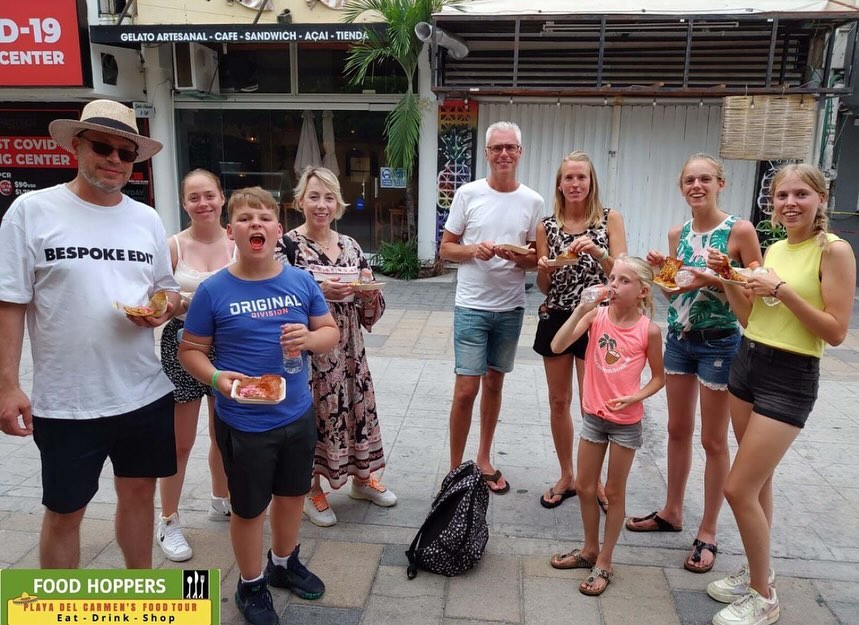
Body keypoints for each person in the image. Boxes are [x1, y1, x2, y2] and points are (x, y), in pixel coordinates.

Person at [0, 99, 180, 568]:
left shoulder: (146, 219)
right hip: (67, 402)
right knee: (65, 512)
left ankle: (143, 603)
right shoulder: (31, 211)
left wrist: (161, 311)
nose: (116, 161)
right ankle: (60, 613)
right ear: (76, 147)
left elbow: (167, 291)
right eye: (104, 147)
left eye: (127, 153)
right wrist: (7, 384)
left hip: (144, 392)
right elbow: (11, 302)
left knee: (140, 498)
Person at [179, 186, 339, 625]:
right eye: (246, 218)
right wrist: (215, 379)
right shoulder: (214, 290)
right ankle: (250, 584)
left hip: (297, 413)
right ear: (231, 231)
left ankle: (284, 563)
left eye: (264, 218)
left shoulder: (300, 281)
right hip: (244, 420)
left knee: (290, 496)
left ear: (278, 230)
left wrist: (310, 339)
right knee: (249, 508)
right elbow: (189, 349)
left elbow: (329, 332)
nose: (256, 225)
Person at [709, 164, 855, 625]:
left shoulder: (834, 251)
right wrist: (729, 278)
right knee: (759, 482)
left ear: (820, 200)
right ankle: (759, 571)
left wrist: (782, 289)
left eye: (800, 195)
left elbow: (835, 332)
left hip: (792, 375)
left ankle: (763, 597)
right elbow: (751, 319)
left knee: (737, 487)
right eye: (781, 196)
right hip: (749, 361)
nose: (789, 203)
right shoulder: (773, 247)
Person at [626, 153, 761, 575]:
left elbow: (754, 299)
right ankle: (672, 511)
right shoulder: (677, 234)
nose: (696, 186)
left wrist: (717, 277)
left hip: (720, 342)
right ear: (681, 187)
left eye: (705, 179)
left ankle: (708, 531)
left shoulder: (739, 230)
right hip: (680, 339)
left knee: (714, 441)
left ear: (721, 182)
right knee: (676, 430)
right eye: (689, 180)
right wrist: (659, 274)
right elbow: (676, 295)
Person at [280, 166, 396, 528]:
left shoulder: (350, 245)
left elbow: (369, 310)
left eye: (329, 197)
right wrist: (319, 292)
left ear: (338, 204)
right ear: (300, 200)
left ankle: (362, 479)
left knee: (355, 408)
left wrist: (366, 289)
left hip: (349, 349)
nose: (321, 204)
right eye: (314, 196)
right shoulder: (286, 246)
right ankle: (309, 488)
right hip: (308, 349)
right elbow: (278, 297)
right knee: (313, 413)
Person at [548, 255, 664, 596]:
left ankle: (606, 560)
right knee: (585, 485)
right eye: (612, 278)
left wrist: (635, 397)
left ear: (643, 291)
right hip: (594, 418)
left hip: (626, 422)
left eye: (623, 281)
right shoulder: (597, 316)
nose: (613, 285)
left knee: (613, 493)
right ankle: (588, 550)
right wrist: (580, 309)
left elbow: (659, 378)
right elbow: (557, 346)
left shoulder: (649, 330)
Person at [439, 121, 544, 493]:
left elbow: (536, 258)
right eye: (497, 148)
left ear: (520, 152)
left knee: (494, 386)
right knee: (466, 389)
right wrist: (474, 249)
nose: (503, 154)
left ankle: (483, 458)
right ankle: (455, 470)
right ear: (486, 153)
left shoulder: (533, 201)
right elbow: (446, 248)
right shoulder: (468, 194)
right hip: (471, 305)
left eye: (510, 147)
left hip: (511, 306)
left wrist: (520, 257)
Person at [534, 151, 628, 510]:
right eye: (569, 177)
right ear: (560, 183)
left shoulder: (609, 219)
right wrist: (544, 268)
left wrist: (598, 251)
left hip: (599, 318)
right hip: (557, 316)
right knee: (559, 401)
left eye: (581, 177)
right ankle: (567, 475)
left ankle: (596, 480)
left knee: (595, 405)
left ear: (591, 182)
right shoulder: (547, 225)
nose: (575, 184)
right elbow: (546, 287)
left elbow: (622, 273)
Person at [155, 169, 235, 562]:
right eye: (194, 197)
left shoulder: (239, 242)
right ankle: (168, 519)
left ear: (222, 198)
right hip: (182, 344)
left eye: (209, 195)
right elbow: (156, 296)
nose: (203, 203)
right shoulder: (172, 245)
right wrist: (181, 305)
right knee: (180, 441)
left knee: (225, 433)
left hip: (231, 346)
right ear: (184, 203)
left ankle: (221, 499)